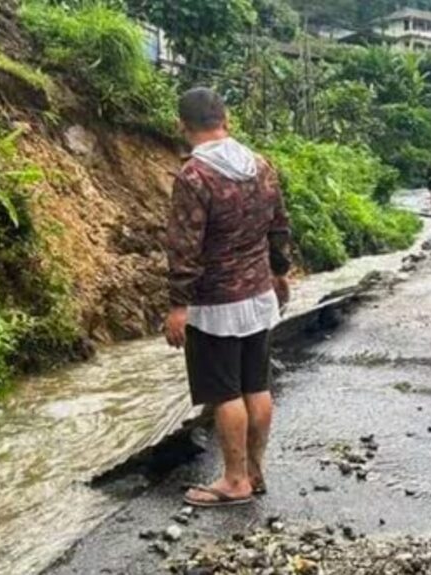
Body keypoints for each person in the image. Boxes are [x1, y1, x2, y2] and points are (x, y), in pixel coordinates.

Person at [164, 87, 291, 508]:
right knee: (256, 384)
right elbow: (279, 224)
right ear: (226, 120)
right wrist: (279, 271)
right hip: (258, 295)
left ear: (183, 126)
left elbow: (185, 246)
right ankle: (255, 471)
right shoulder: (261, 165)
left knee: (225, 393)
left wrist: (178, 305)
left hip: (214, 305)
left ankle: (234, 480)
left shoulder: (194, 177)